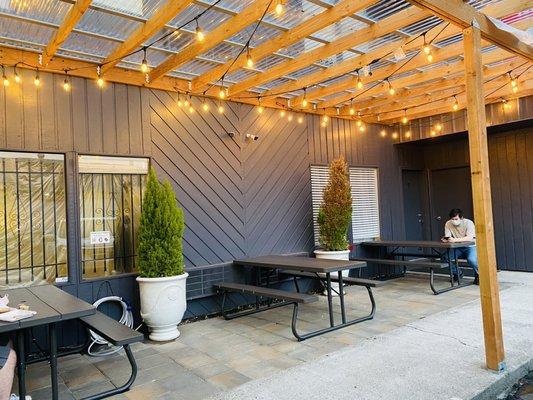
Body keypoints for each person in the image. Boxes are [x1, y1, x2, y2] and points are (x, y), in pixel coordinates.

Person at [441, 208, 479, 285]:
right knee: (445, 258)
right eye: (452, 219)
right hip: (457, 247)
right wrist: (446, 239)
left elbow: (470, 237)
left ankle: (479, 275)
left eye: (456, 219)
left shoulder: (468, 223)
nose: (454, 221)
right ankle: (458, 273)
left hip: (470, 246)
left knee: (471, 259)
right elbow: (448, 236)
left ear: (461, 218)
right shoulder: (448, 223)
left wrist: (454, 240)